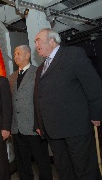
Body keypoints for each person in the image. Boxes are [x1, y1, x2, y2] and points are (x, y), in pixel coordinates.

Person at [34, 28, 102, 180]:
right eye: (35, 41)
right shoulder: (40, 70)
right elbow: (39, 98)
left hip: (75, 127)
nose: (36, 43)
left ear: (52, 40)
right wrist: (39, 123)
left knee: (84, 170)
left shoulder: (72, 54)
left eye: (39, 40)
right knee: (64, 170)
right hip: (53, 131)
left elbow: (93, 85)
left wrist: (96, 113)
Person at [8, 45, 52, 180]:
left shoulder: (38, 72)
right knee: (22, 164)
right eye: (15, 54)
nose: (16, 56)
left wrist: (40, 124)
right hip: (17, 128)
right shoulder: (11, 77)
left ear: (28, 55)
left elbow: (43, 100)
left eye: (19, 53)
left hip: (34, 127)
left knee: (42, 161)